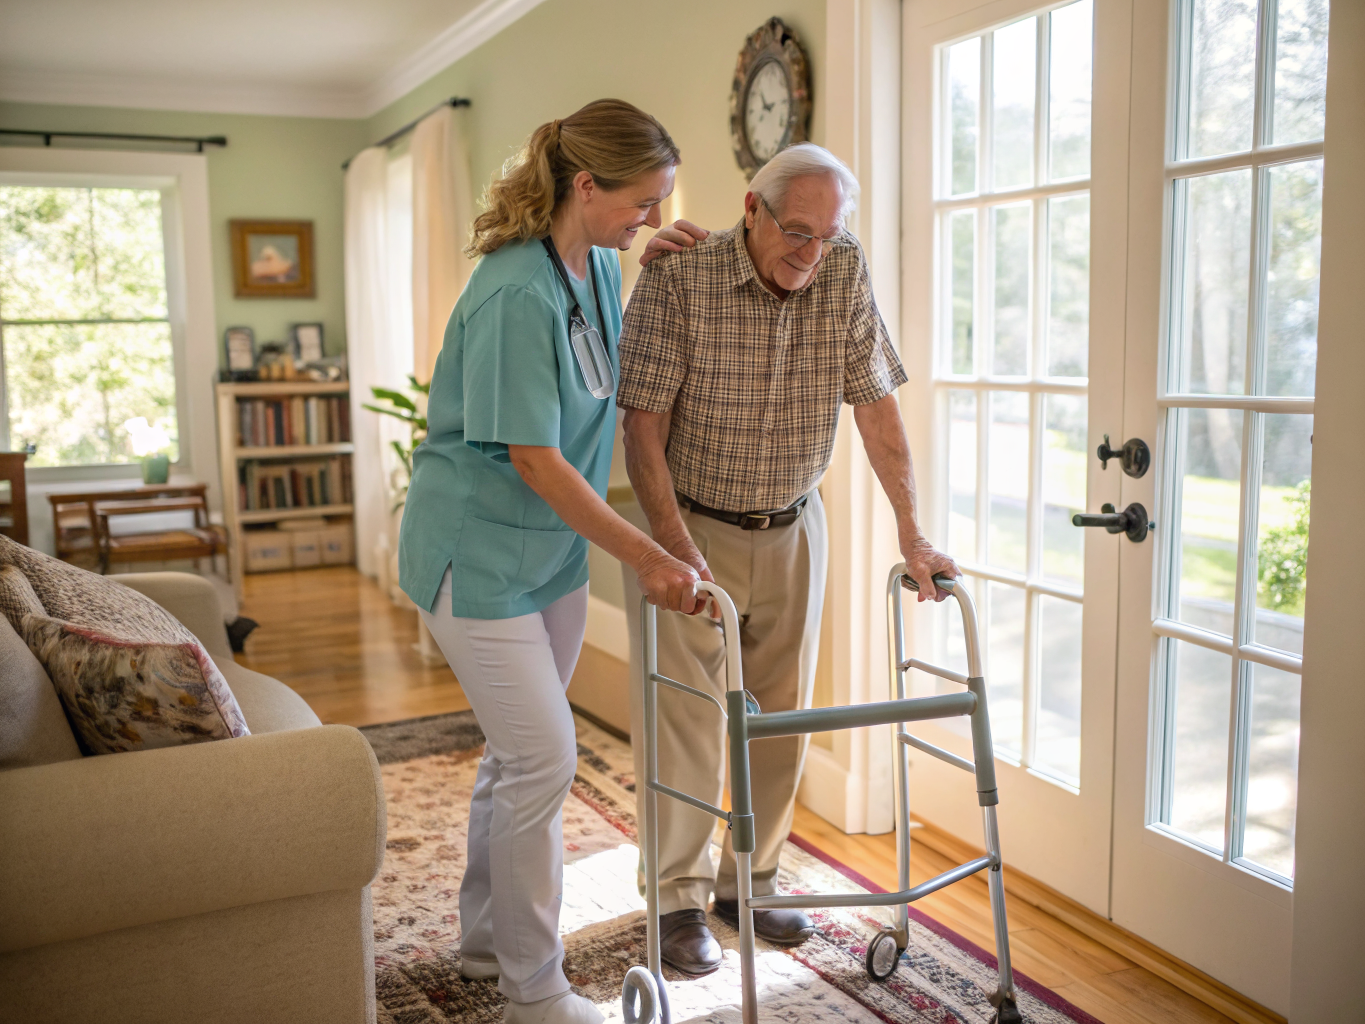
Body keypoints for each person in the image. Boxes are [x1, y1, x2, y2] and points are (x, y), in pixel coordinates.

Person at [616, 142, 958, 976]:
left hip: (795, 524)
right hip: (689, 526)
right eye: (795, 231)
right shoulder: (679, 279)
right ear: (750, 209)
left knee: (781, 718)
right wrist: (676, 548)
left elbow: (878, 413)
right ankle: (675, 900)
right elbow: (642, 429)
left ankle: (752, 882)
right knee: (688, 724)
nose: (810, 253)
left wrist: (913, 534)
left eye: (826, 235)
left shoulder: (840, 270)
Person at [398, 99, 704, 1024]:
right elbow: (535, 458)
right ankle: (535, 992)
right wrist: (649, 556)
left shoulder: (596, 269)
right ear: (585, 185)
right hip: (478, 555)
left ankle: (489, 947)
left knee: (517, 757)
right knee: (544, 756)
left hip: (550, 558)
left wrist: (649, 259)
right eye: (642, 202)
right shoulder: (512, 292)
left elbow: (596, 375)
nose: (650, 216)